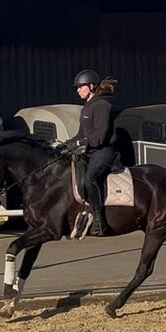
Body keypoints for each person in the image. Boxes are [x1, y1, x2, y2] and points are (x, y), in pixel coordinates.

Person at [66, 68, 121, 237]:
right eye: (77, 88)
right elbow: (81, 135)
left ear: (91, 86)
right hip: (91, 150)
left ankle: (99, 221)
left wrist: (80, 143)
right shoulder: (86, 108)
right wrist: (65, 144)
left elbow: (100, 136)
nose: (78, 90)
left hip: (104, 150)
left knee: (90, 179)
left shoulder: (102, 106)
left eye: (80, 87)